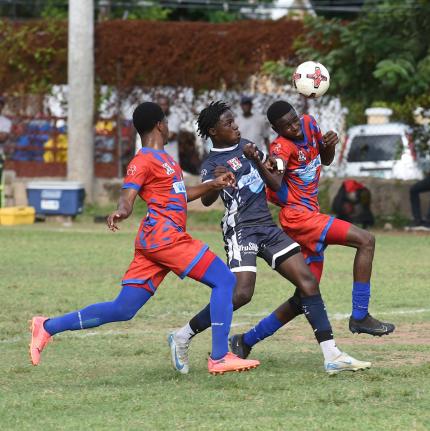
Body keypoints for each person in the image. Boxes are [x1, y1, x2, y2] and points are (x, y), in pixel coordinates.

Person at [29, 101, 260, 376]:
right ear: (160, 125)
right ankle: (220, 357)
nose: (168, 125)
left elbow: (180, 196)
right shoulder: (143, 160)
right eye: (166, 121)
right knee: (224, 280)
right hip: (165, 237)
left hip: (156, 242)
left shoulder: (167, 161)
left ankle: (46, 326)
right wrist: (121, 211)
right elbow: (128, 195)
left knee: (123, 308)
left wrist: (213, 184)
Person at [169, 101, 371, 375]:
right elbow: (206, 200)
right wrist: (214, 183)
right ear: (215, 132)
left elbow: (276, 183)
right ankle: (184, 335)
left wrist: (256, 159)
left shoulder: (248, 145)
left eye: (234, 121)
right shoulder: (212, 163)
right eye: (228, 124)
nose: (236, 126)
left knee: (308, 282)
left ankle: (332, 354)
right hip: (241, 229)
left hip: (267, 225)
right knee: (241, 294)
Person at [262, 100, 395, 337]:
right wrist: (266, 165)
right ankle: (360, 316)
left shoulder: (310, 124)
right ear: (276, 130)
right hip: (297, 217)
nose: (295, 127)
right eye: (287, 126)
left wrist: (329, 145)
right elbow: (274, 182)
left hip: (310, 214)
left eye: (294, 119)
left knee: (305, 294)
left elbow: (326, 159)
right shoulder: (281, 148)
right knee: (366, 240)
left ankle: (246, 339)